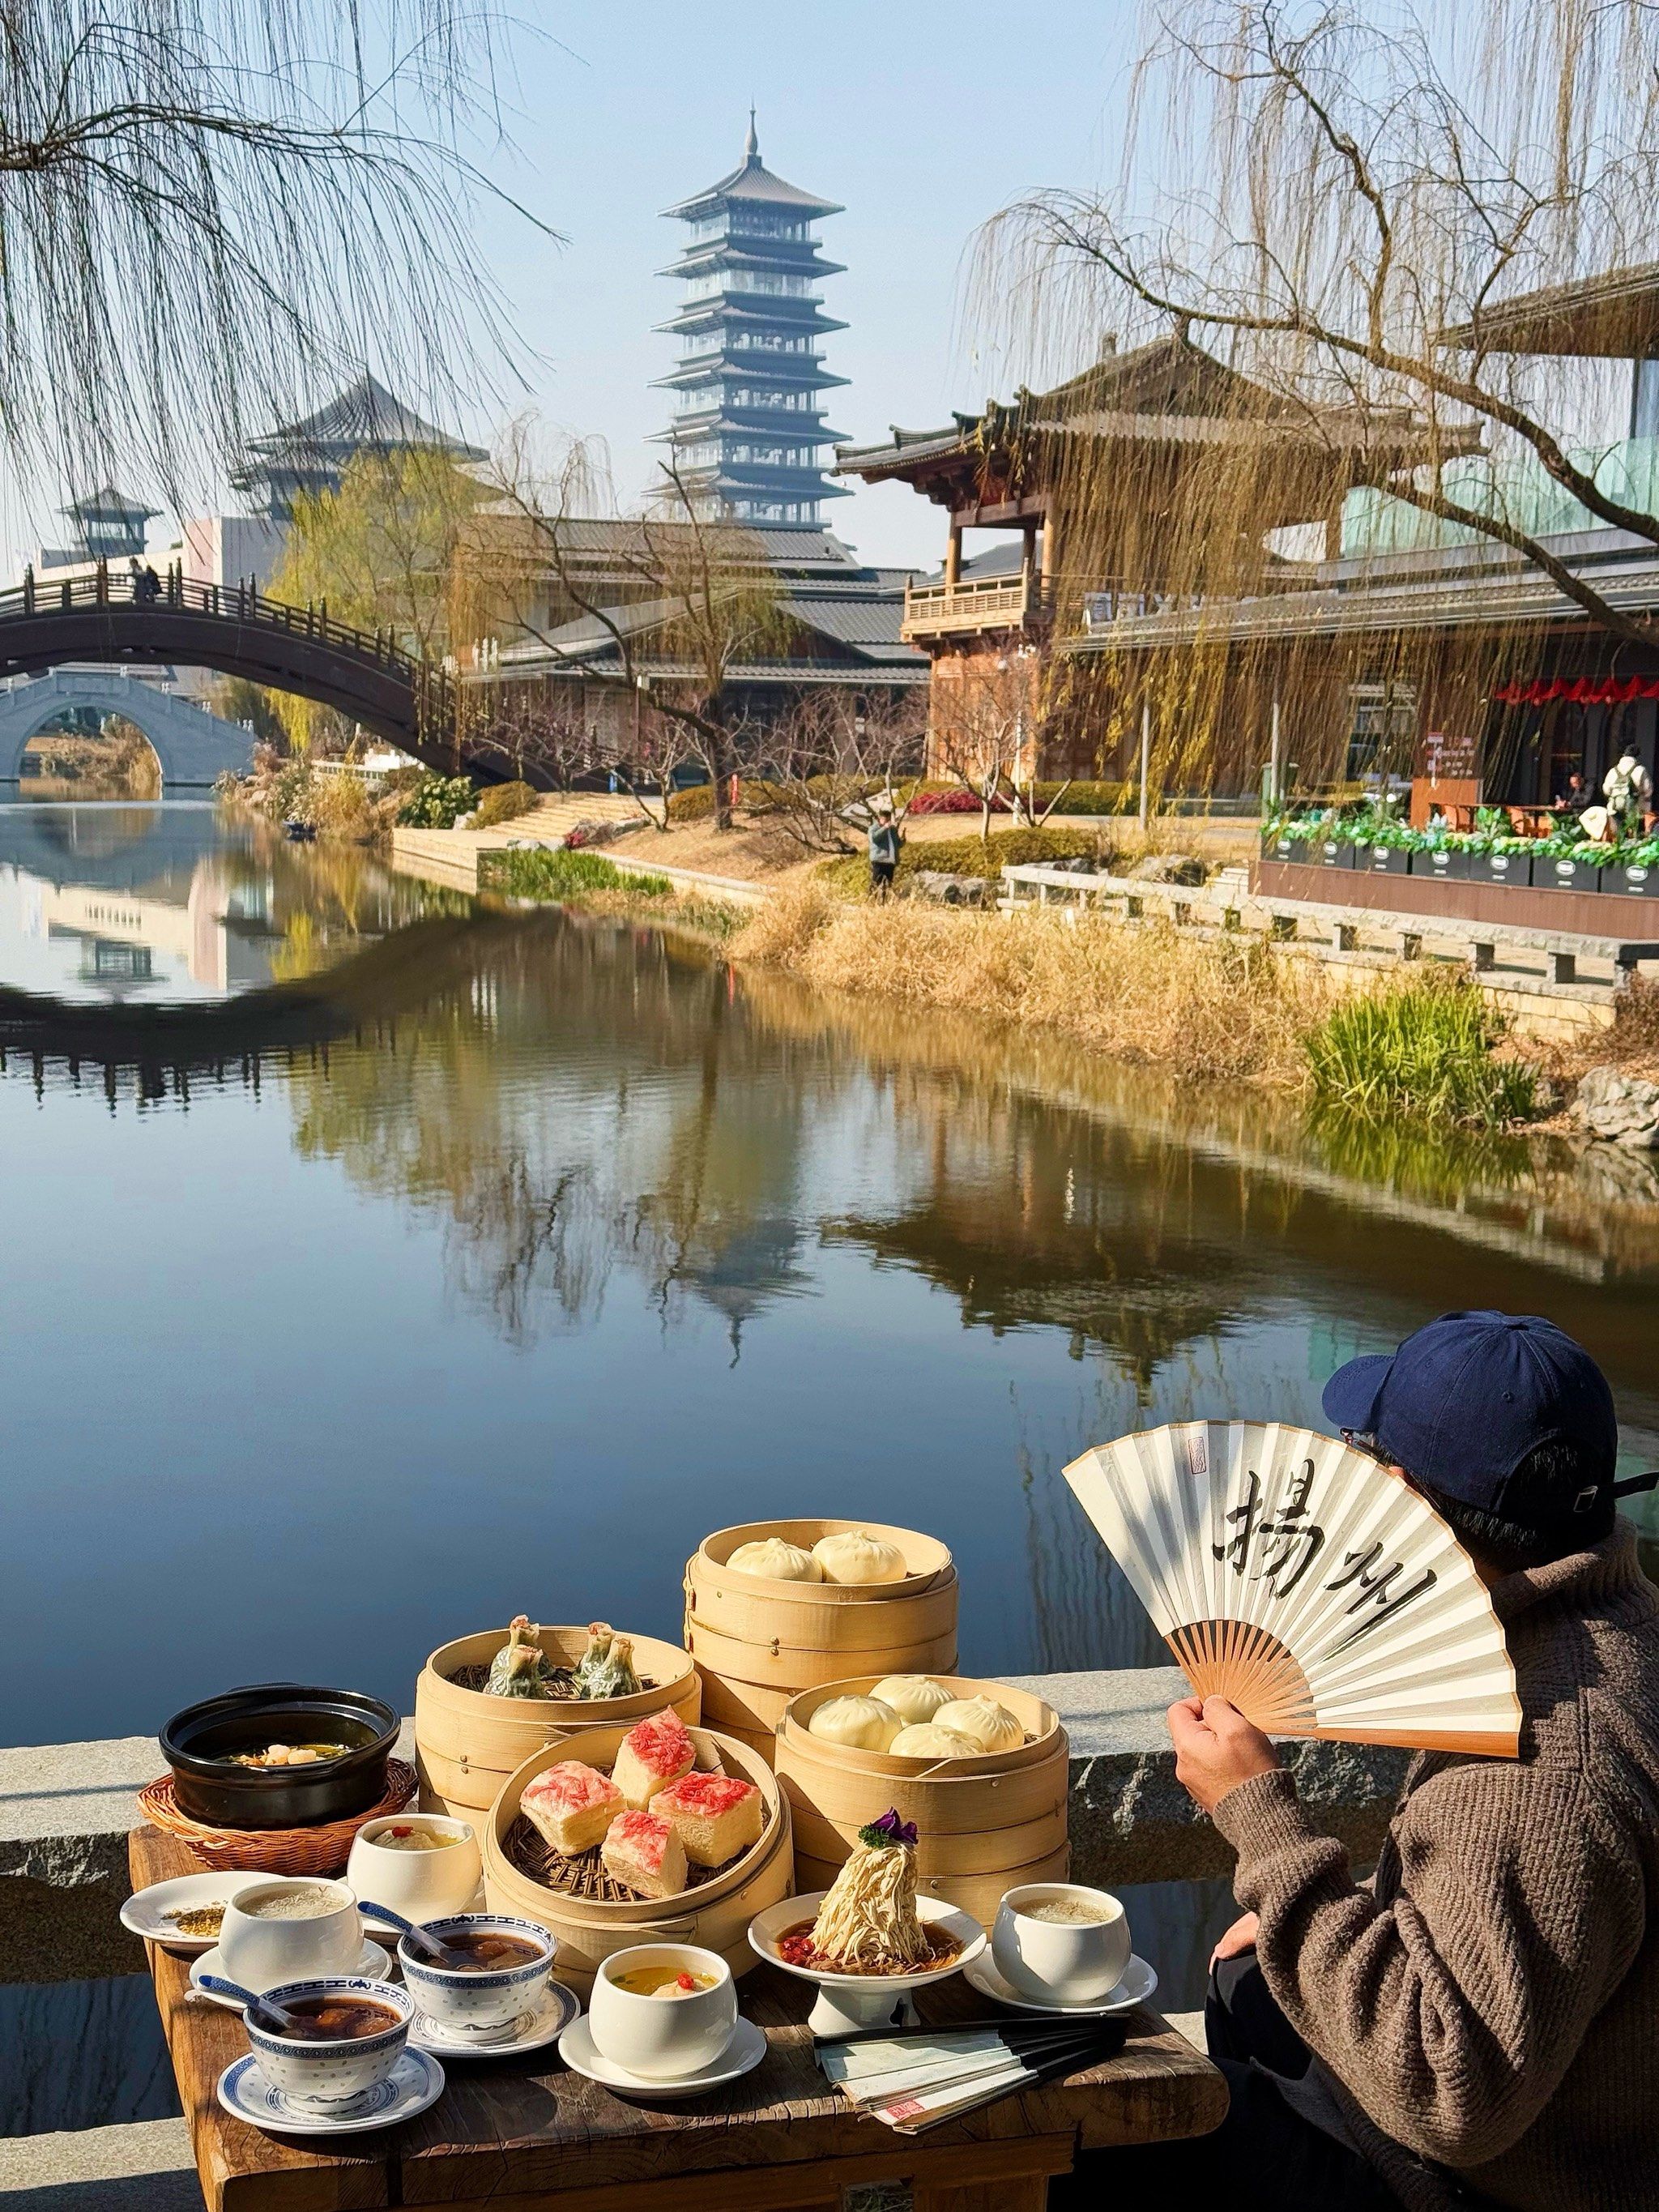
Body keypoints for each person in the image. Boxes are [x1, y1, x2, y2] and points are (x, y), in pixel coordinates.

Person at [1055, 1311, 1659, 2212]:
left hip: (1484, 2182)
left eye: (1366, 1455)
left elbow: (1453, 2098)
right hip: (1574, 2103)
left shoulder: (1533, 1770)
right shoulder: (1612, 1631)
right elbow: (1530, 1906)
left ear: (1400, 1496)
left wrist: (1267, 1828)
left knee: (1099, 2138)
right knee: (1249, 1980)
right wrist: (1349, 1908)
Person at [868, 794, 902, 898]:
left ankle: (884, 900)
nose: (887, 822)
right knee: (876, 882)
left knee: (887, 885)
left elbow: (897, 844)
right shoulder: (873, 828)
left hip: (890, 861)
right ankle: (871, 899)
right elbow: (874, 839)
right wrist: (884, 828)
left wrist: (903, 839)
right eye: (885, 820)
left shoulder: (892, 829)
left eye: (888, 820)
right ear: (880, 819)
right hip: (879, 860)